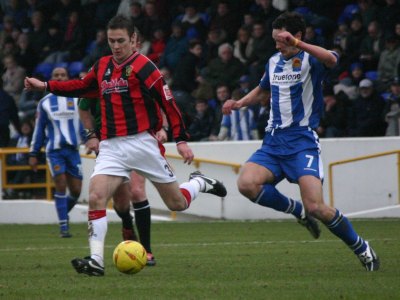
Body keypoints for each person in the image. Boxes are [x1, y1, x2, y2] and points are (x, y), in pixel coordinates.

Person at [24, 15, 227, 277]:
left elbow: (169, 103)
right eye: (111, 41)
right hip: (111, 147)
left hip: (143, 143)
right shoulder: (102, 65)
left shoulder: (146, 67)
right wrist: (46, 86)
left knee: (176, 203)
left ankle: (199, 182)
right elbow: (81, 87)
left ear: (133, 40)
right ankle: (96, 260)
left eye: (121, 41)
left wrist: (182, 140)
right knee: (97, 195)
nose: (116, 46)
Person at [222, 11, 380, 271]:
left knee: (317, 206)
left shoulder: (311, 59)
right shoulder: (273, 62)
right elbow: (262, 89)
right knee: (246, 184)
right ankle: (296, 210)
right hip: (273, 143)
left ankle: (361, 247)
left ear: (297, 37)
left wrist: (297, 45)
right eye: (275, 40)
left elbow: (331, 58)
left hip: (302, 142)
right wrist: (239, 102)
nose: (277, 45)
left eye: (282, 40)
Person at [78, 94, 167, 266]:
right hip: (110, 146)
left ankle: (146, 250)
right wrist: (91, 135)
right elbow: (83, 107)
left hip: (139, 140)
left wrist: (162, 126)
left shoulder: (138, 71)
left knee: (137, 191)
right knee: (121, 203)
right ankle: (127, 221)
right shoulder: (98, 74)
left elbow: (158, 98)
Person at [29, 67, 84, 238]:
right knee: (60, 185)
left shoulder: (77, 99)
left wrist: (90, 138)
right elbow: (39, 129)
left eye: (63, 75)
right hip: (54, 151)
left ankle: (63, 215)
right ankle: (64, 228)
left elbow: (83, 123)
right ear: (51, 78)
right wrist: (33, 153)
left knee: (76, 191)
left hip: (73, 151)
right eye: (56, 75)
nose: (60, 78)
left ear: (68, 78)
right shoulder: (45, 102)